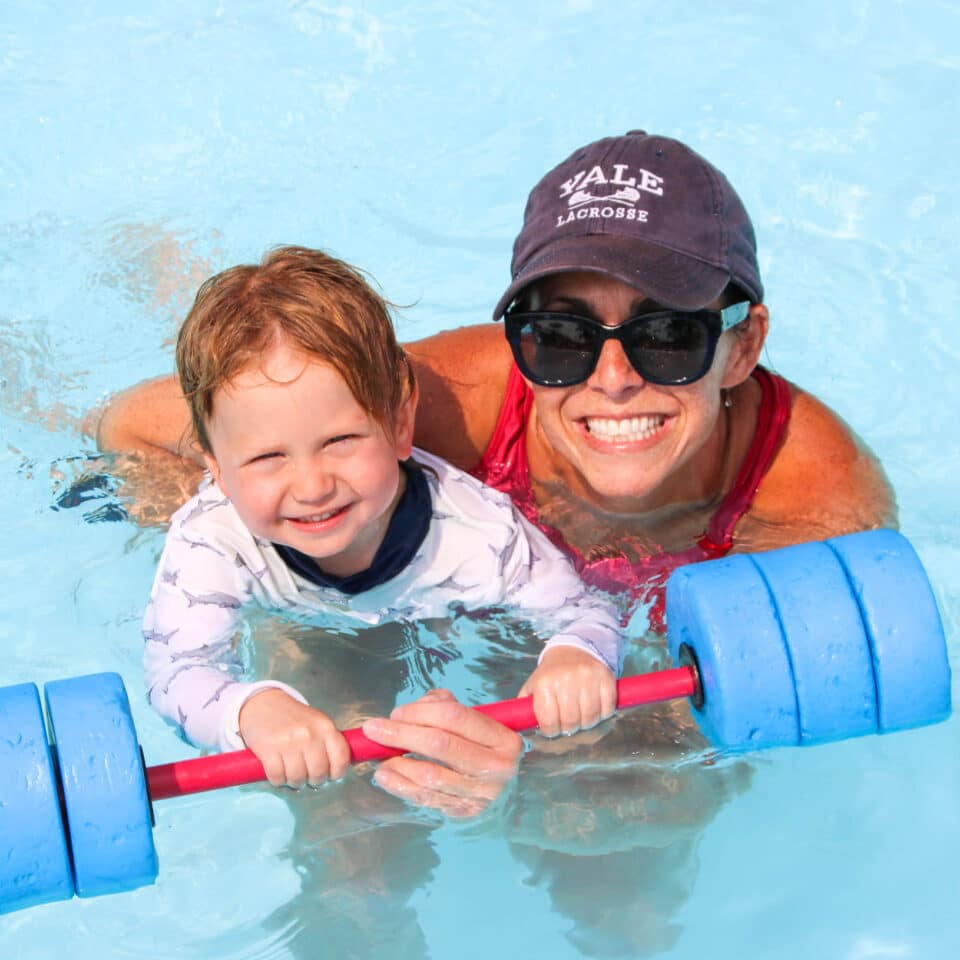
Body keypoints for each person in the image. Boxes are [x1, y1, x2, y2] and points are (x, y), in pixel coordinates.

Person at [95, 130, 896, 812]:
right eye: (560, 334)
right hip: (368, 600)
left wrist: (533, 773)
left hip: (552, 644)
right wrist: (244, 538)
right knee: (346, 833)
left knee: (634, 842)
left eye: (668, 335)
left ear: (742, 348)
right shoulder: (444, 404)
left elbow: (744, 723)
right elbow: (134, 426)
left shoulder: (811, 499)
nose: (612, 377)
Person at [143, 245, 623, 790]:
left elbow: (584, 612)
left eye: (340, 441)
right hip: (297, 620)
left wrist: (574, 657)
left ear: (400, 424)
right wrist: (250, 709)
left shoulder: (480, 536)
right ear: (219, 472)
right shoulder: (211, 538)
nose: (313, 486)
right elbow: (176, 670)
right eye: (267, 458)